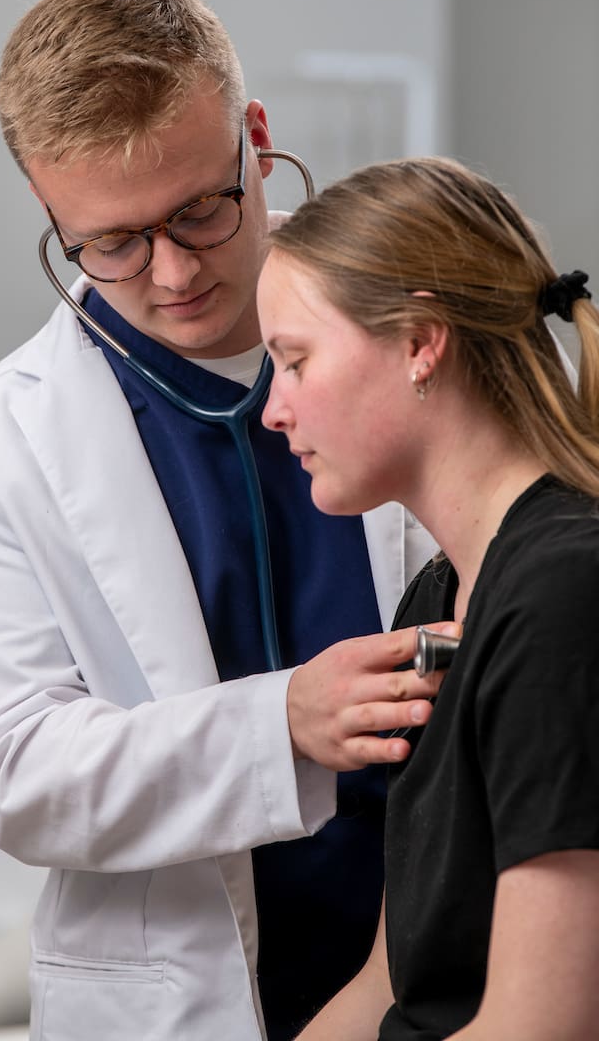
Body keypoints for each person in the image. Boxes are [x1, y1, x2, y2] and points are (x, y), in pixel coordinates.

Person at [0, 0, 447, 1041]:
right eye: (109, 242)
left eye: (200, 209)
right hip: (179, 1001)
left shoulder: (416, 324)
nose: (168, 274)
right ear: (46, 204)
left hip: (441, 958)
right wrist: (280, 726)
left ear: (253, 134)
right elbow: (15, 773)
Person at [256, 155, 599, 1040]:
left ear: (418, 341)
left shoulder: (562, 597)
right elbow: (391, 981)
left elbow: (540, 1027)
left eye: (293, 362)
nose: (272, 410)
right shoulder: (438, 598)